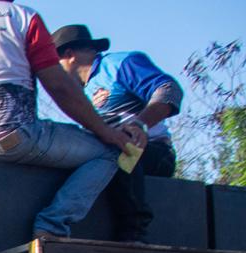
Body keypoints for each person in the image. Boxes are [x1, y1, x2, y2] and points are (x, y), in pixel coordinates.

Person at [0, 0, 144, 241]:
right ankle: (52, 225)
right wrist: (106, 131)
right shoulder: (20, 17)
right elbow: (59, 87)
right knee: (111, 151)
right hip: (11, 137)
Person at [54, 24, 182, 178]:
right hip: (112, 155)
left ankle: (133, 203)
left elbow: (169, 89)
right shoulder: (83, 92)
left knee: (112, 160)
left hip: (151, 152)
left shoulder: (119, 65)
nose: (52, 72)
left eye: (55, 64)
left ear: (69, 55)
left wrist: (139, 125)